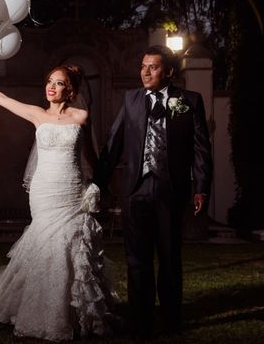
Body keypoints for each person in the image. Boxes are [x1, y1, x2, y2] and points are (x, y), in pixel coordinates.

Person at [0, 65, 118, 341]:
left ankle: (74, 312)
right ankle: (41, 308)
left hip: (72, 190)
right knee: (47, 243)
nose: (51, 86)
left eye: (58, 83)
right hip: (44, 191)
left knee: (71, 244)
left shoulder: (81, 117)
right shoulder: (37, 115)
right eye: (49, 81)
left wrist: (98, 185)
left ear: (70, 90)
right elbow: (4, 100)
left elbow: (90, 156)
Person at [95, 45, 213, 340]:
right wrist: (98, 183)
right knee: (137, 260)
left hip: (171, 188)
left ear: (169, 72)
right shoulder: (131, 99)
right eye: (143, 66)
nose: (145, 72)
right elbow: (114, 142)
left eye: (154, 67)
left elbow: (201, 148)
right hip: (135, 189)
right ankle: (141, 320)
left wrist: (201, 187)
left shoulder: (189, 101)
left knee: (170, 257)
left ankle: (172, 319)